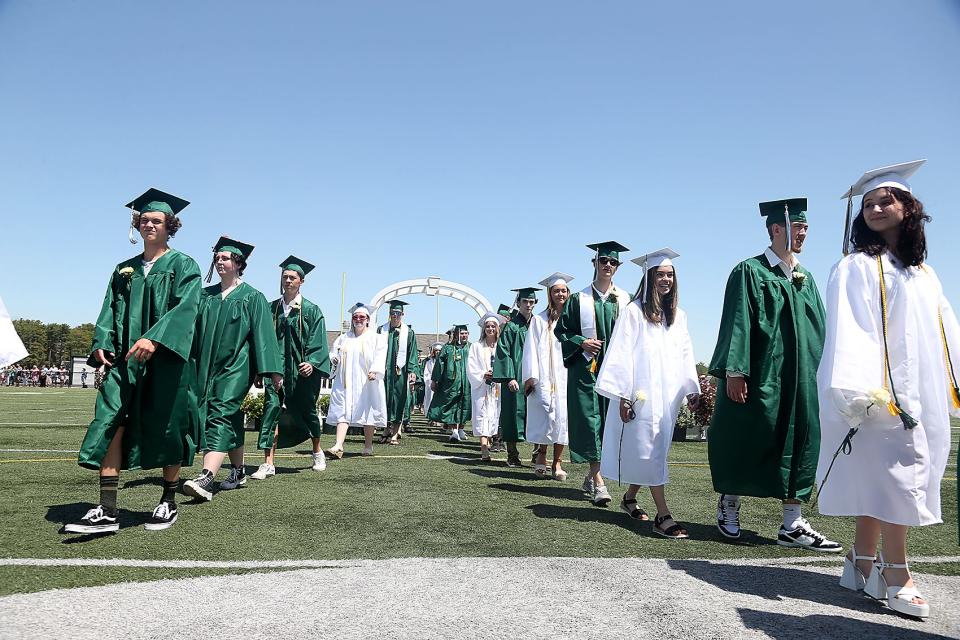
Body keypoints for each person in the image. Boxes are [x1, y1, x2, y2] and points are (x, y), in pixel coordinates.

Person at [817, 160, 957, 619]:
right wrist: (859, 392)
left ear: (908, 208)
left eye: (886, 200)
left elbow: (945, 333)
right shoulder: (858, 266)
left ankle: (860, 560)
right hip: (878, 396)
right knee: (896, 480)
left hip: (921, 393)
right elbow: (849, 331)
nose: (876, 207)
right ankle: (896, 573)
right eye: (869, 203)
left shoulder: (924, 274)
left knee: (882, 481)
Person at [708, 198, 841, 552]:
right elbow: (737, 320)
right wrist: (735, 370)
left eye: (806, 228)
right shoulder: (749, 271)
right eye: (799, 227)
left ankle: (792, 523)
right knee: (748, 432)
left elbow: (821, 328)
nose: (804, 234)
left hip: (800, 378)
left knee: (801, 440)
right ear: (777, 228)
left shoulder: (805, 278)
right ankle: (730, 504)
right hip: (761, 374)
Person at [64, 188, 201, 534]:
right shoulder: (123, 269)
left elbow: (186, 309)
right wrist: (101, 342)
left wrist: (155, 337)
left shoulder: (184, 266)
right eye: (144, 220)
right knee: (110, 421)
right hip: (124, 361)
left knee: (168, 426)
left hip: (166, 362)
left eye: (157, 221)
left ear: (170, 226)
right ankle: (107, 509)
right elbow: (109, 309)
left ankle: (168, 500)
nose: (149, 225)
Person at [596, 249, 700, 538]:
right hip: (641, 395)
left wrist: (691, 388)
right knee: (650, 451)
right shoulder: (634, 311)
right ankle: (663, 515)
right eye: (660, 275)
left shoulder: (679, 317)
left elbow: (685, 353)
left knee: (654, 451)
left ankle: (629, 498)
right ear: (649, 277)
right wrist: (624, 395)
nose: (666, 279)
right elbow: (621, 353)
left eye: (669, 275)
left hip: (668, 396)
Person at [182, 238, 283, 502]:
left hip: (237, 365)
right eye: (217, 257)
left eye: (225, 258)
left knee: (221, 411)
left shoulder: (252, 297)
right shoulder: (206, 295)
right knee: (229, 416)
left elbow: (264, 336)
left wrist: (272, 370)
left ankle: (206, 476)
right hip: (206, 366)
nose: (219, 261)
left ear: (239, 263)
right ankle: (238, 471)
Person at [555, 241, 631, 506]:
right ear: (595, 264)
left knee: (610, 423)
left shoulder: (625, 299)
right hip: (586, 370)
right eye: (603, 261)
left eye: (613, 262)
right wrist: (581, 342)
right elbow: (561, 332)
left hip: (615, 370)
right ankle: (599, 481)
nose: (608, 265)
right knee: (590, 422)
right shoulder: (579, 298)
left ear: (618, 267)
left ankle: (592, 473)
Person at [252, 256, 331, 480]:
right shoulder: (271, 309)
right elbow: (263, 341)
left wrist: (312, 362)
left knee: (307, 411)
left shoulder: (312, 310)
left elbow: (318, 340)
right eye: (284, 277)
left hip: (302, 372)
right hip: (275, 370)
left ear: (301, 281)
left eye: (292, 277)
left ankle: (317, 450)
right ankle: (268, 463)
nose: (287, 280)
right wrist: (262, 369)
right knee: (271, 412)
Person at [523, 273, 573, 480]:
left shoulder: (574, 319)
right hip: (544, 376)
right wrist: (531, 377)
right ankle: (541, 457)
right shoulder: (539, 319)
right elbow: (531, 349)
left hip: (567, 375)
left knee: (564, 419)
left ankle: (558, 462)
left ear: (568, 293)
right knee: (544, 416)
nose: (560, 294)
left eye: (563, 290)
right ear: (549, 294)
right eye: (556, 291)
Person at [325, 303, 387, 457]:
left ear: (368, 319)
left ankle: (368, 446)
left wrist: (375, 370)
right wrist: (334, 360)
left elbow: (380, 356)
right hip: (345, 381)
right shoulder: (343, 338)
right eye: (355, 317)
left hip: (367, 381)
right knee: (342, 410)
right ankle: (338, 446)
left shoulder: (376, 338)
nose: (358, 319)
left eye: (362, 317)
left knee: (368, 411)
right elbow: (334, 353)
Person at [493, 288, 539, 467]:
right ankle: (512, 454)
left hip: (535, 377)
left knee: (538, 414)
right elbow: (503, 352)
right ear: (518, 303)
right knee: (512, 415)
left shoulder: (538, 324)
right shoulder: (511, 326)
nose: (528, 305)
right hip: (516, 378)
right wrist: (509, 377)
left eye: (531, 302)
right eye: (525, 302)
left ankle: (538, 454)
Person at [377, 300, 419, 445]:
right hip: (384, 372)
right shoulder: (381, 330)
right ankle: (385, 430)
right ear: (389, 314)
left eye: (398, 313)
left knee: (398, 400)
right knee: (384, 399)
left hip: (400, 373)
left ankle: (395, 432)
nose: (395, 316)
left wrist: (413, 370)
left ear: (402, 314)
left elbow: (412, 353)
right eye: (392, 313)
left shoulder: (409, 333)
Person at [468, 312, 505, 461]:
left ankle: (490, 441)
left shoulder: (501, 346)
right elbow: (471, 366)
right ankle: (484, 448)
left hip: (497, 386)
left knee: (494, 414)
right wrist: (483, 374)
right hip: (481, 386)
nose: (490, 329)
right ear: (483, 329)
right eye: (487, 326)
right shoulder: (476, 346)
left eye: (493, 326)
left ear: (497, 328)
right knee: (481, 415)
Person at [428, 325, 471, 440]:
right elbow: (439, 365)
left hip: (467, 382)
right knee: (452, 406)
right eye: (462, 333)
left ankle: (461, 429)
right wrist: (434, 380)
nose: (464, 335)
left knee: (465, 405)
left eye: (466, 333)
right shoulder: (448, 348)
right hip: (451, 383)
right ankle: (454, 431)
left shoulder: (471, 347)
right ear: (457, 335)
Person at [421, 342, 443, 420]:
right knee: (430, 399)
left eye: (439, 350)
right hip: (431, 384)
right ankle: (431, 417)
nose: (437, 352)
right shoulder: (429, 362)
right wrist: (432, 381)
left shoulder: (443, 362)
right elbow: (426, 374)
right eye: (436, 350)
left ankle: (438, 418)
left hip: (441, 384)